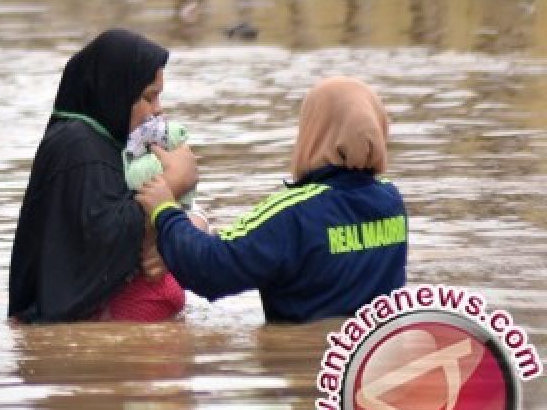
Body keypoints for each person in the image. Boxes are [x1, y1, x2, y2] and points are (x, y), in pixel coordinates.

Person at [137, 76, 408, 323]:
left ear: (315, 132)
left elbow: (210, 268)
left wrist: (165, 210)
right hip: (368, 359)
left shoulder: (296, 212)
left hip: (305, 366)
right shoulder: (391, 200)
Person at [7, 29, 198, 324]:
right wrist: (175, 182)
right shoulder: (78, 147)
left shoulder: (107, 144)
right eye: (149, 97)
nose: (157, 110)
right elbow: (102, 240)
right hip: (63, 333)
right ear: (115, 91)